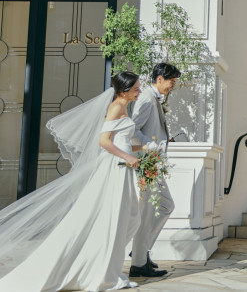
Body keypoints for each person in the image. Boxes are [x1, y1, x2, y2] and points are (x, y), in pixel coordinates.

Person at [0, 72, 144, 291]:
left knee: (129, 217)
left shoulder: (124, 107)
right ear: (124, 90)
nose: (139, 91)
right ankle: (105, 274)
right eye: (136, 88)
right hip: (115, 168)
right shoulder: (116, 107)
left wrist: (143, 149)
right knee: (114, 219)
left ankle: (109, 270)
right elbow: (104, 142)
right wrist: (128, 157)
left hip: (123, 167)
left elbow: (120, 141)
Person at [129, 62, 180, 278]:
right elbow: (133, 131)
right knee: (150, 212)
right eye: (171, 81)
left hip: (153, 164)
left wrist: (162, 139)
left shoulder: (153, 98)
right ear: (160, 79)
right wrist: (152, 147)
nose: (172, 86)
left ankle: (140, 252)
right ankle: (139, 263)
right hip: (147, 164)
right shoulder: (147, 98)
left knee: (165, 207)